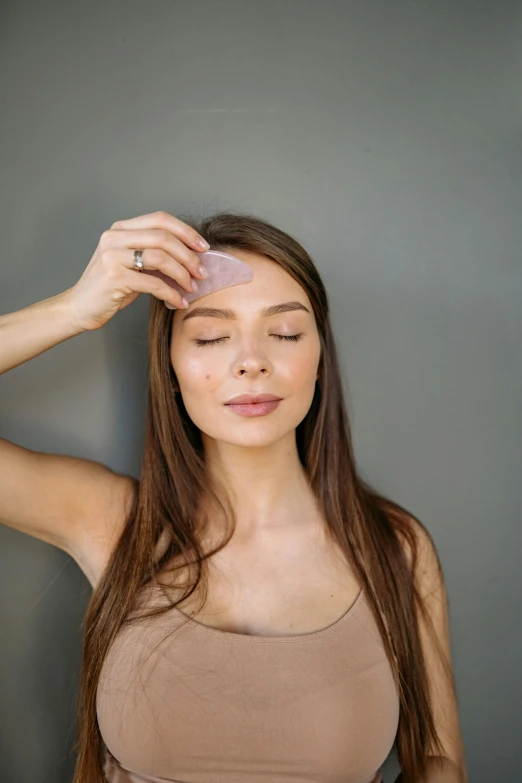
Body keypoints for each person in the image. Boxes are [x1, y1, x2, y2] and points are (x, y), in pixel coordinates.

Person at [0, 210, 468, 783]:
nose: (251, 360)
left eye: (286, 332)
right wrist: (72, 309)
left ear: (319, 361)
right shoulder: (114, 522)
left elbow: (438, 760)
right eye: (213, 335)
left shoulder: (396, 546)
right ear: (169, 366)